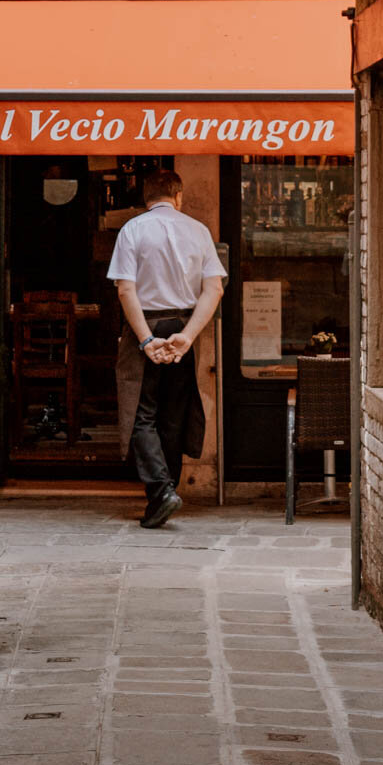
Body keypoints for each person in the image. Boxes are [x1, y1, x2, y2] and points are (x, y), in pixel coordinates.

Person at [107, 168, 225, 528]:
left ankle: (161, 492)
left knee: (142, 414)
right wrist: (187, 337)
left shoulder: (132, 230)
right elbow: (215, 289)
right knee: (173, 416)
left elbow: (126, 290)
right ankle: (166, 492)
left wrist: (145, 340)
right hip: (182, 325)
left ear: (146, 198)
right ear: (179, 196)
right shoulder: (199, 230)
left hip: (147, 324)